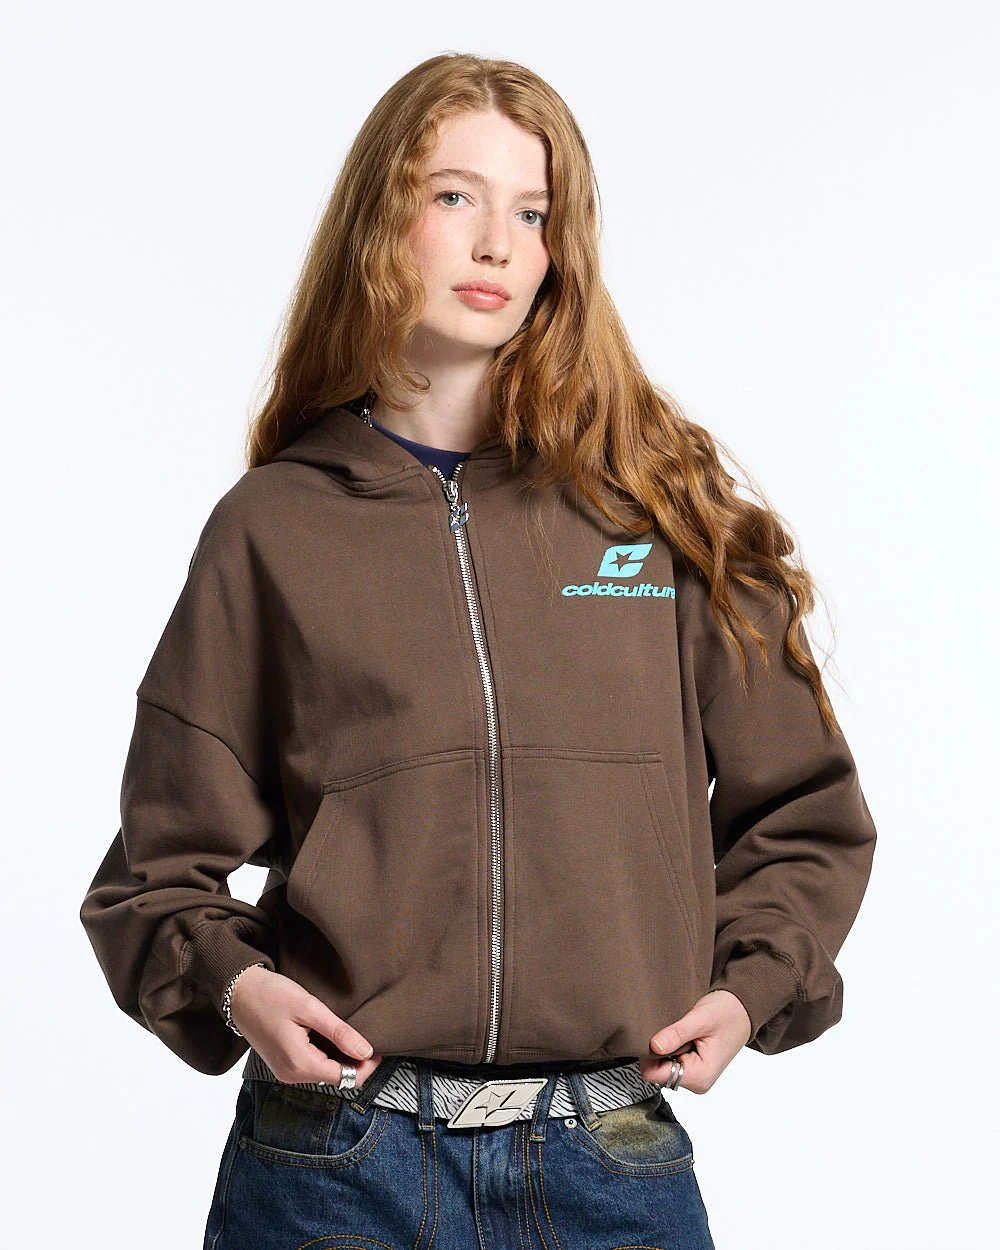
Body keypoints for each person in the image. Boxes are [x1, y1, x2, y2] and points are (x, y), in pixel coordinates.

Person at [79, 52, 878, 1250]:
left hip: (610, 1158)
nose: (496, 242)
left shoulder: (654, 510)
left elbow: (805, 810)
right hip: (334, 1162)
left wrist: (747, 984)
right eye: (453, 196)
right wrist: (238, 987)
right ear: (379, 221)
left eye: (533, 212)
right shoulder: (275, 527)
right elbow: (153, 871)